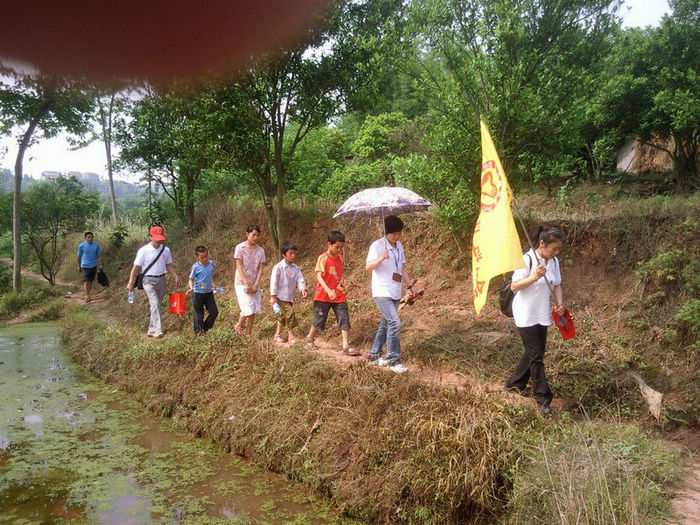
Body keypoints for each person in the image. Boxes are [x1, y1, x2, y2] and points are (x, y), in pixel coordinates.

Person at [504, 224, 566, 416]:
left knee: (534, 353)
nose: (556, 252)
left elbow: (557, 285)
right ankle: (542, 398)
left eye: (558, 249)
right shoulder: (527, 259)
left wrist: (559, 303)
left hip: (542, 313)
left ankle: (515, 383)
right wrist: (534, 276)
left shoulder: (553, 262)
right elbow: (514, 286)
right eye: (554, 248)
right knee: (537, 356)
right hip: (525, 314)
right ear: (542, 243)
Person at [365, 216, 416, 374]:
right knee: (395, 323)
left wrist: (410, 286)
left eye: (400, 233)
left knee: (386, 324)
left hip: (395, 290)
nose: (398, 236)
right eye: (395, 234)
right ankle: (393, 360)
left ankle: (374, 355)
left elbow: (402, 268)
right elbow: (368, 267)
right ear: (388, 232)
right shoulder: (377, 245)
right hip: (382, 291)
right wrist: (381, 258)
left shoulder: (399, 246)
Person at [304, 231, 358, 356]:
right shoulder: (322, 258)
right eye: (336, 247)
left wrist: (342, 287)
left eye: (341, 247)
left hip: (339, 295)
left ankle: (345, 346)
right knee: (319, 319)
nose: (339, 250)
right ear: (329, 244)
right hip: (323, 295)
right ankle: (309, 339)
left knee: (344, 318)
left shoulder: (339, 258)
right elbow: (319, 276)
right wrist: (328, 290)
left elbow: (338, 275)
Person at [126, 226, 181, 338]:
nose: (158, 241)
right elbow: (135, 268)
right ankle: (158, 330)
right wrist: (130, 282)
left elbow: (169, 265)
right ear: (150, 237)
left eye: (160, 238)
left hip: (161, 280)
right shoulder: (143, 251)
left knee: (156, 305)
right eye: (156, 238)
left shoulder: (166, 250)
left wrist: (175, 276)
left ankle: (151, 330)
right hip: (148, 280)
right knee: (155, 303)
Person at [269, 241, 308, 344]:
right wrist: (273, 296)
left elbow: (300, 280)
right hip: (279, 297)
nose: (293, 255)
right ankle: (291, 336)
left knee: (282, 316)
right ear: (283, 254)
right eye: (290, 253)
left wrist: (303, 289)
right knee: (289, 314)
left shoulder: (296, 268)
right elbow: (273, 282)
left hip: (289, 297)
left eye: (294, 253)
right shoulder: (278, 268)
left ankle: (277, 335)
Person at [233, 224, 266, 336]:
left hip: (254, 282)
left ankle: (248, 333)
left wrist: (256, 283)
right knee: (248, 307)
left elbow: (261, 268)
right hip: (241, 282)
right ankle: (239, 325)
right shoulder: (240, 248)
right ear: (247, 234)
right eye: (253, 235)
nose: (255, 238)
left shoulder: (260, 250)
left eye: (257, 236)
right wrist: (246, 283)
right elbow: (239, 265)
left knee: (253, 309)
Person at [186, 245, 219, 334]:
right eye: (202, 257)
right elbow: (190, 279)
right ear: (197, 257)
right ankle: (199, 333)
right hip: (198, 294)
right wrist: (191, 288)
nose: (205, 259)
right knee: (199, 315)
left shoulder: (211, 263)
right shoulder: (195, 267)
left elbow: (210, 275)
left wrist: (213, 284)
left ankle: (204, 329)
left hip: (208, 293)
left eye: (206, 256)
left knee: (214, 312)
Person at [77, 231, 103, 303]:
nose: (90, 238)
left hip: (93, 265)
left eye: (91, 237)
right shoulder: (81, 246)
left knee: (91, 281)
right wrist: (78, 266)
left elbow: (99, 255)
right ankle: (87, 296)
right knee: (86, 281)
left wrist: (101, 264)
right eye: (88, 237)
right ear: (85, 238)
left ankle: (88, 294)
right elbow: (79, 256)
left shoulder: (96, 245)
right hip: (85, 265)